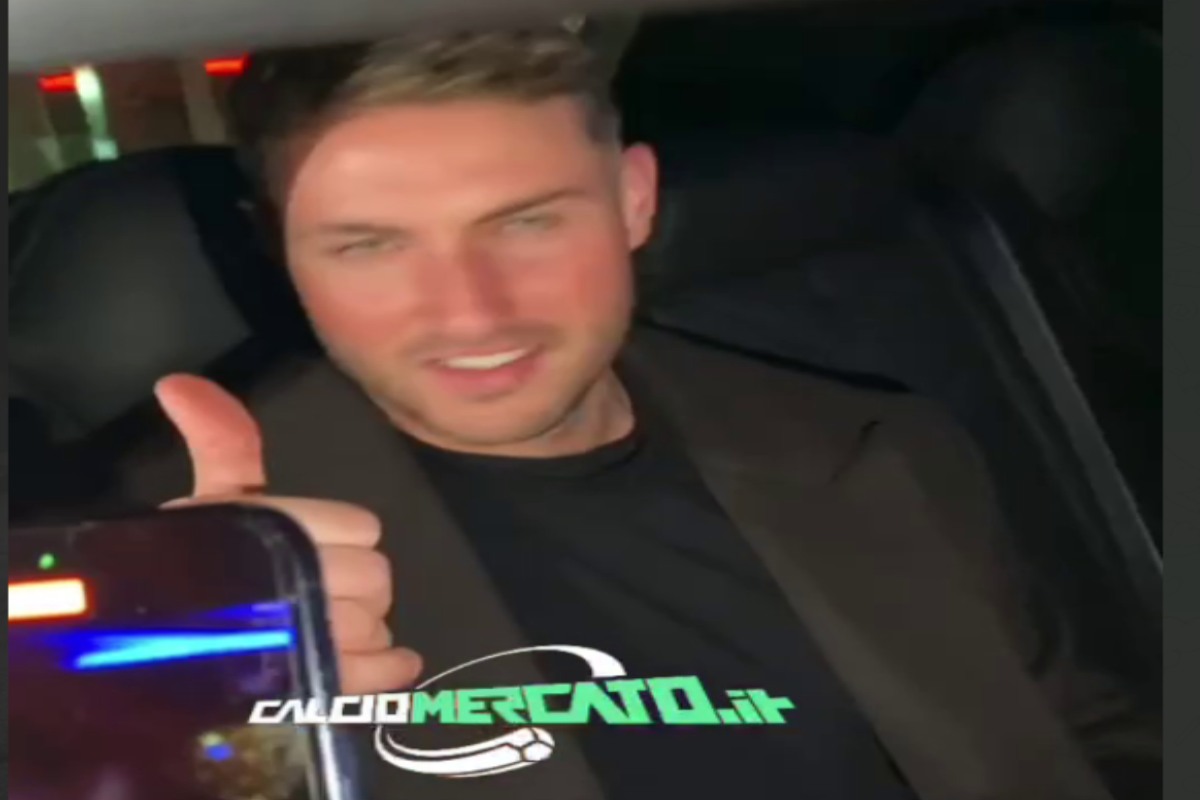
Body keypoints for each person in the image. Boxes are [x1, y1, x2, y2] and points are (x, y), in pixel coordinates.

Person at [152, 26, 1159, 800]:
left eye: (528, 223)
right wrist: (175, 707)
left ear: (634, 200)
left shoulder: (878, 446)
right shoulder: (172, 566)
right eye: (370, 245)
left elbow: (1092, 744)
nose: (470, 310)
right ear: (279, 250)